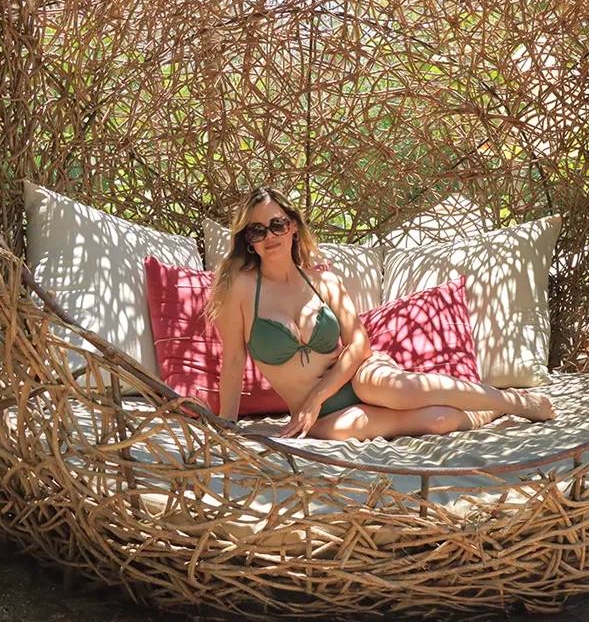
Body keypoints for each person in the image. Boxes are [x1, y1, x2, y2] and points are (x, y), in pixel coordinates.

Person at [206, 185, 555, 441]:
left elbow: (359, 346)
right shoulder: (238, 288)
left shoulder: (323, 280)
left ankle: (515, 402)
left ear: (293, 226)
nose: (270, 236)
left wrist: (316, 397)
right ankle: (488, 409)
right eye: (258, 230)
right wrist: (227, 427)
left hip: (359, 375)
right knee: (435, 421)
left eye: (278, 225)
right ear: (247, 239)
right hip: (324, 416)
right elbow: (234, 362)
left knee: (393, 389)